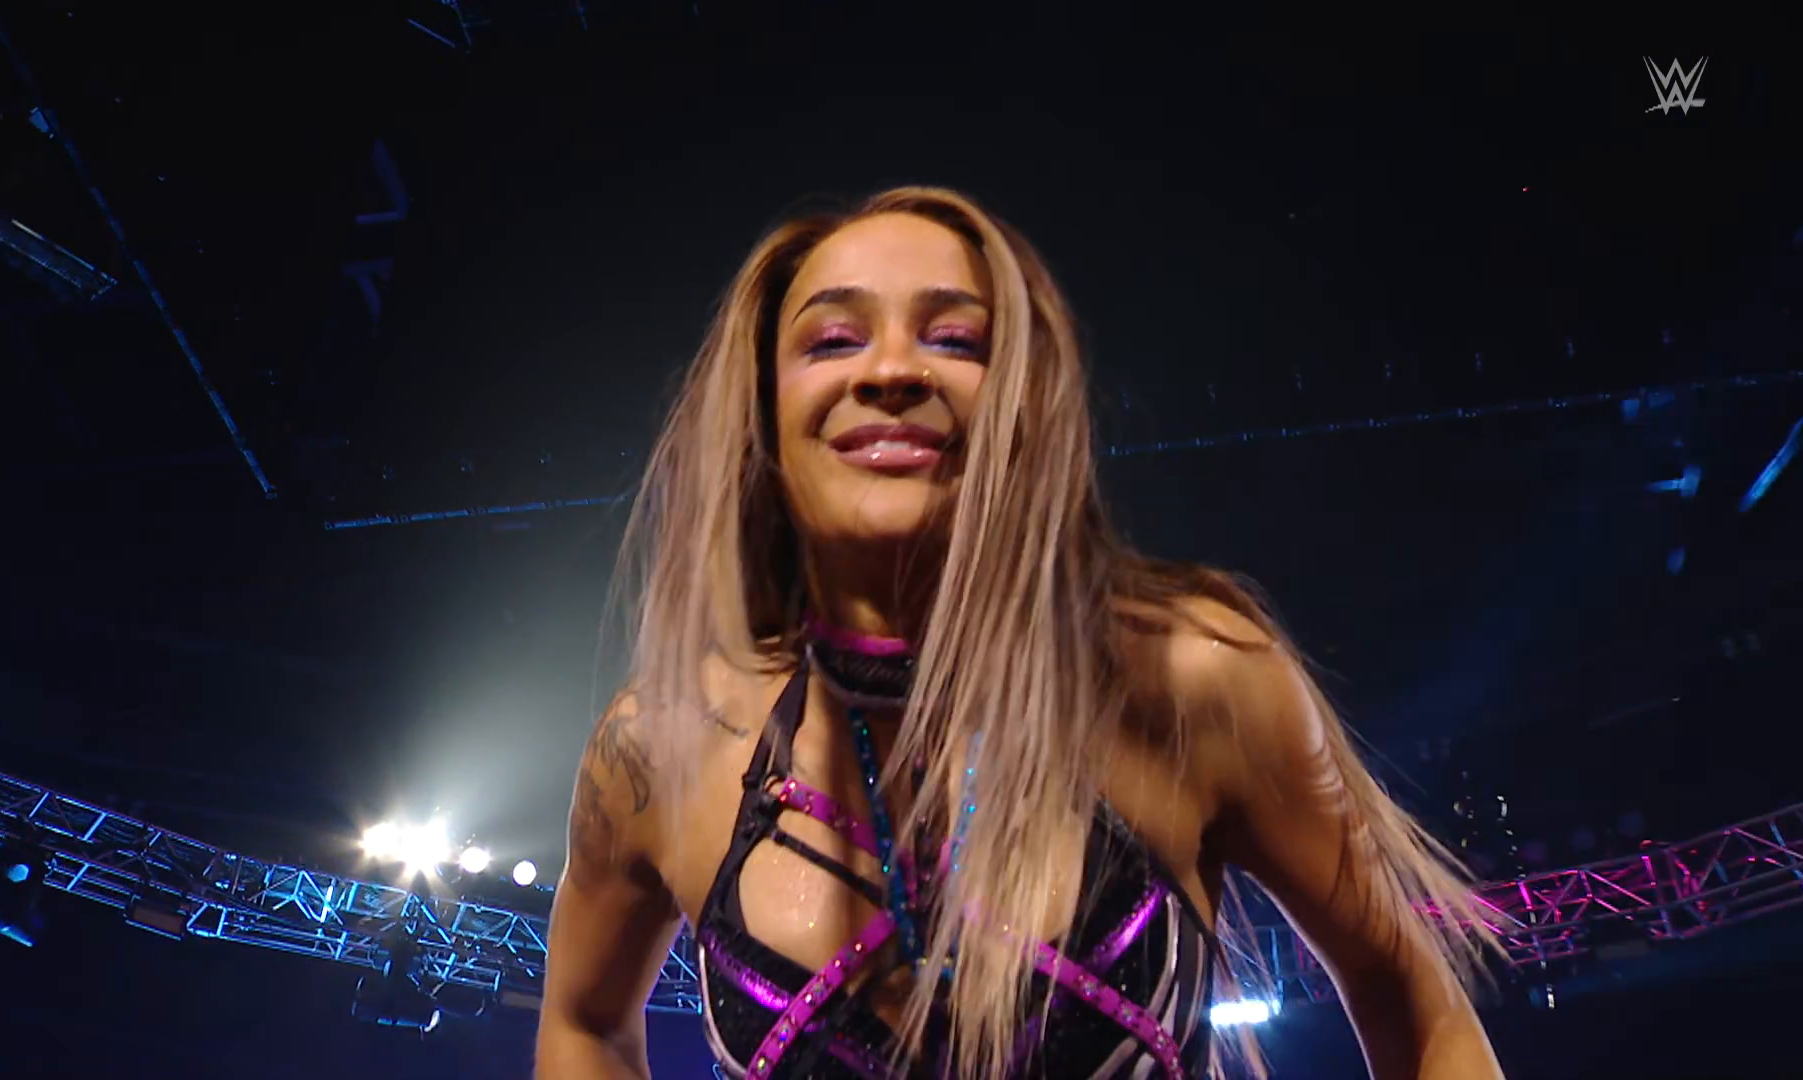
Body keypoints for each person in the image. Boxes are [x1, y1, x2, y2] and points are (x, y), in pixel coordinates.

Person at [536, 187, 1505, 1079]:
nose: (892, 369)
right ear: (763, 414)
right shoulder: (664, 746)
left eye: (956, 339)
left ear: (1024, 408)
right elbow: (583, 1023)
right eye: (832, 339)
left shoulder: (1191, 679)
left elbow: (1420, 1013)